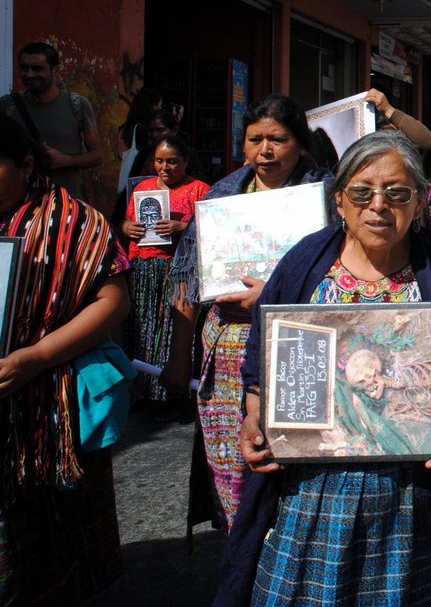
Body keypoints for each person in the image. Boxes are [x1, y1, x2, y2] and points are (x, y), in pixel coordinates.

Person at [217, 130, 431, 605]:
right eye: (362, 192)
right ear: (339, 201)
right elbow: (261, 361)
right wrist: (255, 414)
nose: (379, 205)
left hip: (416, 501)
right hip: (313, 496)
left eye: (397, 193)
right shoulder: (303, 266)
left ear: (418, 203)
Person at [169, 94, 333, 533]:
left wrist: (273, 298)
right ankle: (237, 545)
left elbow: (346, 280)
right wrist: (178, 357)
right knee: (233, 463)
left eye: (277, 139)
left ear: (300, 143)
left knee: (291, 459)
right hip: (226, 352)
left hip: (301, 346)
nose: (265, 150)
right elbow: (188, 283)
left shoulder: (327, 199)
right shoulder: (222, 197)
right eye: (255, 139)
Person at [0, 114, 131, 603]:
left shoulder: (75, 223)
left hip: (50, 412)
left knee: (59, 548)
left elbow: (113, 301)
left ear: (27, 164)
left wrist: (35, 357)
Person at [122, 136, 210, 408]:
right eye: (160, 161)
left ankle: (171, 395)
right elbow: (125, 220)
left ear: (184, 161)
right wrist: (127, 228)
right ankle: (143, 392)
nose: (165, 167)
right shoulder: (143, 188)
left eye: (172, 161)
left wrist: (180, 228)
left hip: (180, 270)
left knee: (174, 332)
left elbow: (211, 227)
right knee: (143, 329)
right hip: (145, 267)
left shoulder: (199, 189)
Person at [0, 41, 103, 200]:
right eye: (24, 68)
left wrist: (66, 161)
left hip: (67, 205)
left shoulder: (77, 105)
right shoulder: (8, 106)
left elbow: (97, 156)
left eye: (37, 69)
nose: (29, 74)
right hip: (21, 207)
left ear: (56, 70)